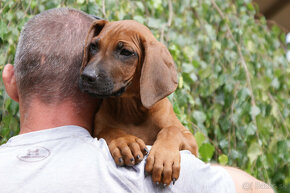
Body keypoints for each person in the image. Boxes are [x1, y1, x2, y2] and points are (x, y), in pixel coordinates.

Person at [0, 8, 274, 193]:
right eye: (93, 49)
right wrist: (110, 135)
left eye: (124, 53)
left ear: (10, 80)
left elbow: (187, 143)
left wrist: (169, 138)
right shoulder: (120, 163)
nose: (91, 70)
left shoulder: (158, 117)